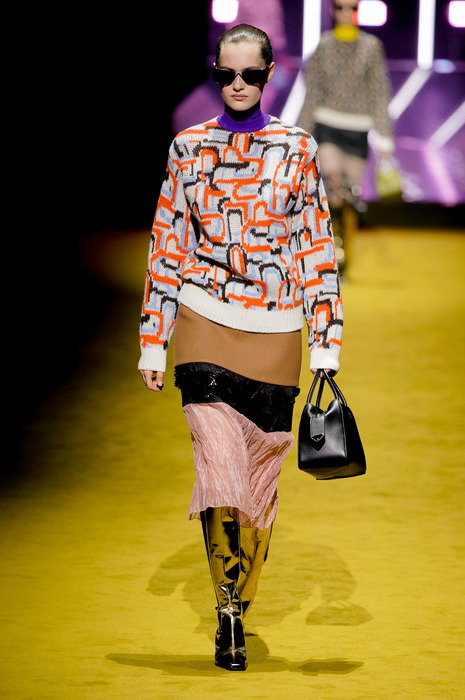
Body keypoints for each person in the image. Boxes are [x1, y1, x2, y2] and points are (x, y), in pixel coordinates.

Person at [139, 23, 343, 672]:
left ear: (269, 74)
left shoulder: (296, 148)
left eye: (249, 74)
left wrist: (326, 346)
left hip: (276, 334)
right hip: (202, 324)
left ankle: (241, 599)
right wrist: (153, 341)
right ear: (214, 72)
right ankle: (225, 607)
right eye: (225, 74)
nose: (236, 84)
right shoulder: (187, 148)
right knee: (218, 473)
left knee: (256, 490)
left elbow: (315, 248)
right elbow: (168, 245)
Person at [297, 0, 394, 273]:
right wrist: (301, 133)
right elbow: (313, 90)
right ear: (333, 10)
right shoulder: (324, 45)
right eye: (340, 7)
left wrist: (384, 134)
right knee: (334, 188)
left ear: (358, 11)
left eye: (351, 8)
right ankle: (333, 255)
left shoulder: (371, 47)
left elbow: (379, 90)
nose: (346, 13)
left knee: (349, 195)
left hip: (358, 130)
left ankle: (344, 251)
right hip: (327, 124)